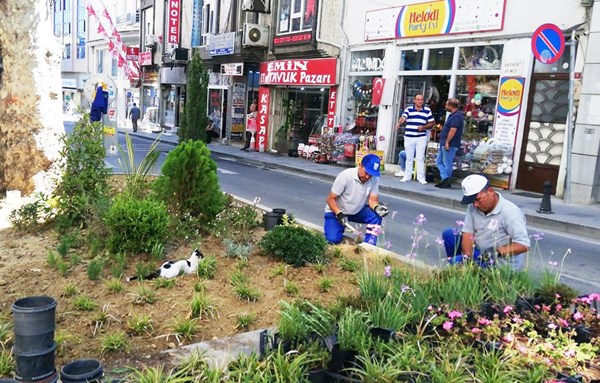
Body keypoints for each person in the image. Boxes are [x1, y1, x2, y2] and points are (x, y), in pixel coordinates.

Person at [441, 174, 530, 270]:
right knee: (449, 234)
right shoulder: (473, 206)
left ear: (490, 191)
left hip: (498, 262)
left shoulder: (511, 212)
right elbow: (468, 232)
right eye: (472, 201)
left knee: (454, 262)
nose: (475, 204)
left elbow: (524, 245)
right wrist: (467, 259)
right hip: (480, 252)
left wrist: (497, 253)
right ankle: (465, 273)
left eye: (478, 199)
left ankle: (467, 271)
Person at [324, 154, 389, 245]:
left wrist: (377, 207)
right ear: (360, 165)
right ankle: (337, 230)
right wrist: (339, 214)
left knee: (376, 216)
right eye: (366, 173)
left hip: (357, 211)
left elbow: (372, 200)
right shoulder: (345, 176)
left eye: (371, 175)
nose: (367, 177)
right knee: (333, 239)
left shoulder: (374, 178)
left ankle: (369, 245)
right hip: (337, 212)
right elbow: (330, 199)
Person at [394, 94, 435, 184]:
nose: (420, 101)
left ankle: (421, 178)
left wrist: (423, 127)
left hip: (421, 137)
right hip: (409, 137)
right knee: (409, 157)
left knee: (420, 158)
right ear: (414, 100)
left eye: (421, 99)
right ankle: (407, 176)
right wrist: (399, 123)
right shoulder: (409, 109)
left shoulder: (427, 110)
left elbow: (432, 123)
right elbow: (403, 117)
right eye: (418, 99)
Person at [435, 98, 464, 189]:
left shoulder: (456, 117)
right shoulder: (452, 115)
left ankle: (446, 181)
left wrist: (447, 142)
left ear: (451, 106)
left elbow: (453, 130)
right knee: (439, 162)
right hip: (444, 143)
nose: (445, 106)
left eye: (447, 105)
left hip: (450, 144)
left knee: (447, 162)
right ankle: (445, 178)